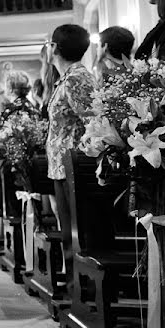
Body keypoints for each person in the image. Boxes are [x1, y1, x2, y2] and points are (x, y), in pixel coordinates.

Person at [45, 24, 94, 234]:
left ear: (54, 47)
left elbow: (93, 123)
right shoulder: (66, 79)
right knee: (67, 231)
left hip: (72, 165)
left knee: (74, 232)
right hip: (62, 165)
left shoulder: (76, 79)